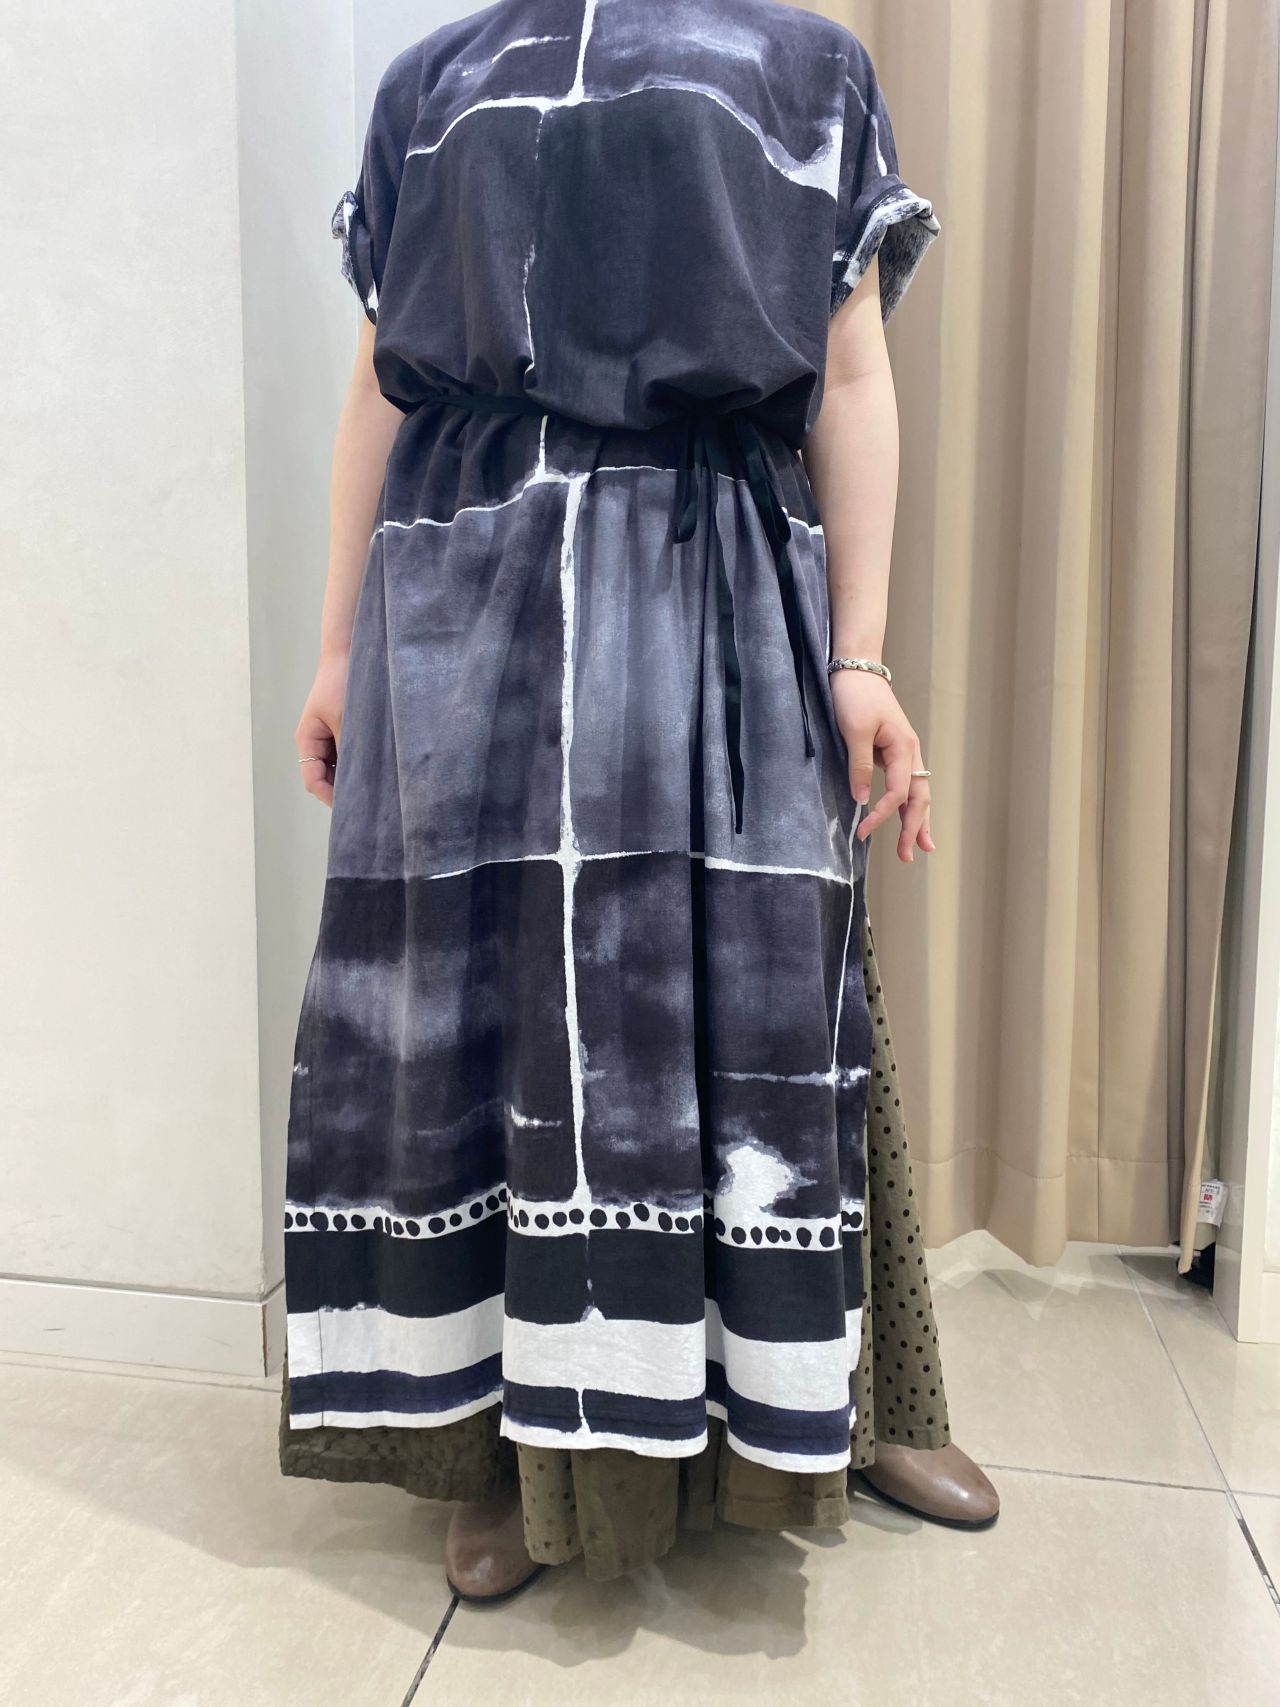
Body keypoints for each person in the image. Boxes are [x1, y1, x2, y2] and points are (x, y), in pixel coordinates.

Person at [278, 0, 998, 1602]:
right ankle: (497, 1441)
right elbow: (381, 388)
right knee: (485, 1018)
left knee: (771, 1004)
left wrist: (862, 655)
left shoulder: (803, 65)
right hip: (466, 595)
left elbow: (850, 373)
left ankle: (846, 1407)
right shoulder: (432, 82)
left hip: (714, 579)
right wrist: (334, 649)